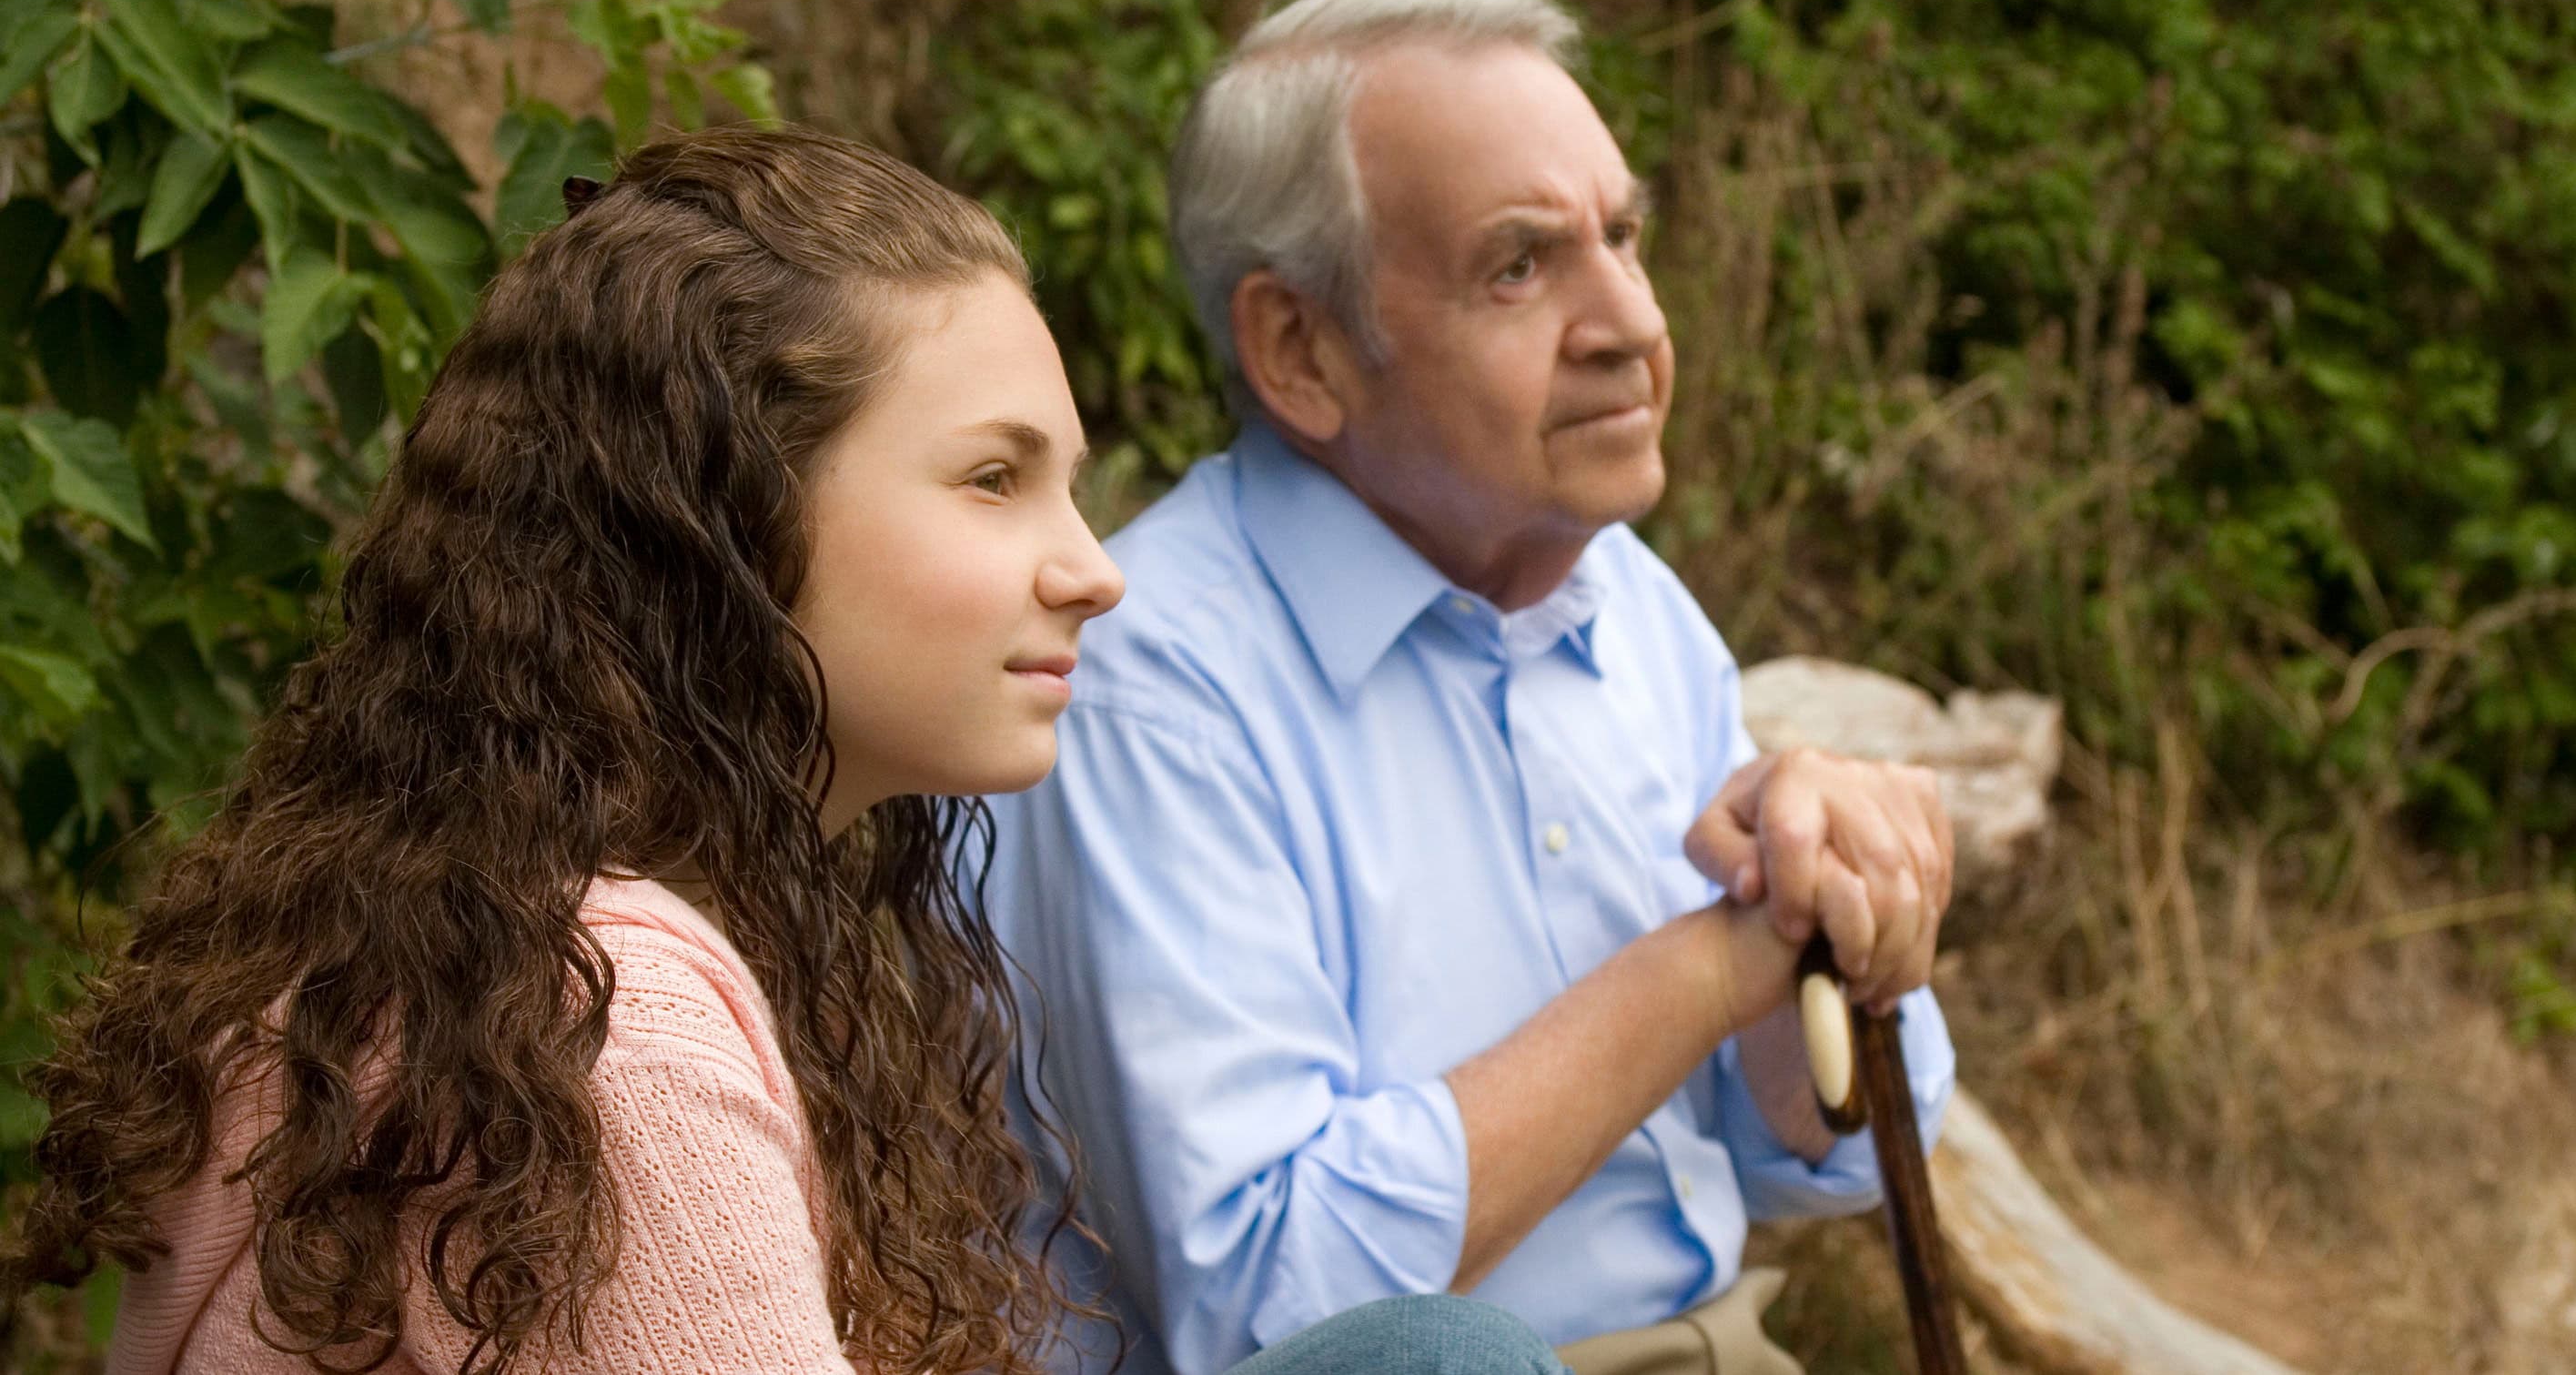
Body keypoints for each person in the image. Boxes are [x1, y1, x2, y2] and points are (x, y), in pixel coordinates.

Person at [0, 128, 1562, 1375]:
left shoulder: (519, 927)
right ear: (726, 528)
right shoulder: (604, 1024)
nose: (1093, 566)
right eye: (993, 480)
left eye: (1069, 484)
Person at [979, 0, 1960, 1375]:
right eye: (1520, 264)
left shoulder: (1630, 604)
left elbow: (1816, 1156)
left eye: (1624, 236)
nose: (1629, 320)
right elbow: (1279, 1304)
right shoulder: (1148, 688)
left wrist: (1839, 910)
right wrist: (1696, 975)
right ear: (1299, 348)